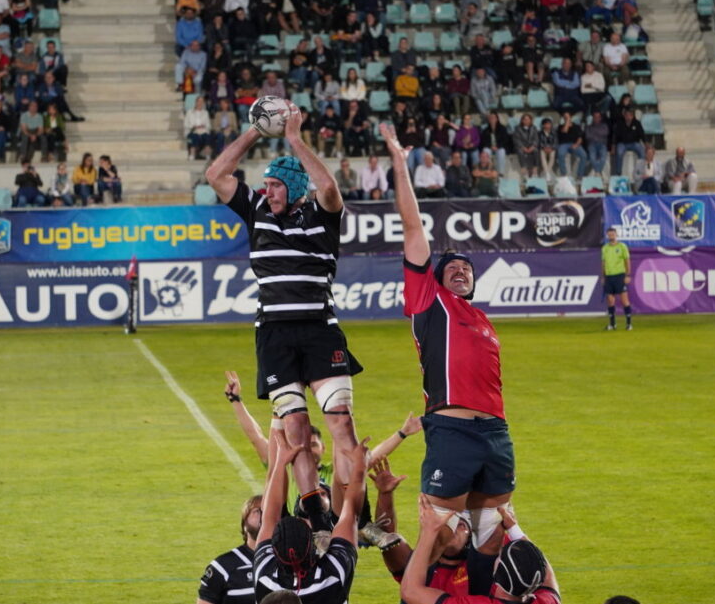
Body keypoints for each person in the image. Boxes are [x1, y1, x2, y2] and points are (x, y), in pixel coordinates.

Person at [205, 101, 362, 539]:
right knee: (294, 430)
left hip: (318, 329)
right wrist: (256, 131)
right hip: (273, 334)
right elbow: (216, 175)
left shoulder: (321, 216)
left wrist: (294, 139)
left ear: (294, 189)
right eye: (265, 185)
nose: (267, 191)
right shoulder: (255, 211)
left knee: (340, 423)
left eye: (275, 185)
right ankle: (316, 522)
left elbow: (328, 187)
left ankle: (356, 515)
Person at [380, 120, 517, 562]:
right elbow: (413, 227)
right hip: (452, 431)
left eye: (467, 268)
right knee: (441, 539)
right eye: (450, 267)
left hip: (495, 432)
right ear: (435, 280)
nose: (460, 271)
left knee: (493, 540)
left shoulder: (482, 320)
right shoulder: (428, 302)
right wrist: (401, 164)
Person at [252, 432, 366, 603]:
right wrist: (359, 467)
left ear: (274, 550)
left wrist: (280, 463)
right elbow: (350, 511)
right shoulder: (332, 576)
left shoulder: (265, 579)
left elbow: (269, 515)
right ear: (312, 542)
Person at [401, 497, 561, 604]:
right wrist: (513, 528)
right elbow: (545, 575)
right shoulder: (543, 600)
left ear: (497, 572)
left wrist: (429, 531)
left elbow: (410, 591)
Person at [197, 494, 264, 604]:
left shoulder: (287, 562)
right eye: (257, 511)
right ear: (244, 525)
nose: (263, 515)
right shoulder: (223, 566)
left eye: (267, 511)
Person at [601, 227, 632, 331]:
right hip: (609, 277)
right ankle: (612, 324)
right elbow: (603, 263)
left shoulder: (622, 246)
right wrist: (603, 276)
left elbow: (627, 261)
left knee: (624, 300)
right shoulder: (605, 248)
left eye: (613, 234)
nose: (611, 236)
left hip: (619, 275)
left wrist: (627, 275)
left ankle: (629, 324)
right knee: (610, 300)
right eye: (609, 234)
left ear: (616, 234)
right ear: (607, 236)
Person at [612, 108, 645, 176]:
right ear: (624, 115)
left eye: (630, 115)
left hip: (634, 143)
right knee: (619, 152)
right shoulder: (620, 123)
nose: (628, 117)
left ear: (632, 116)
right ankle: (618, 173)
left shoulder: (637, 123)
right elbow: (615, 136)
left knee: (641, 151)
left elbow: (642, 134)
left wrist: (646, 144)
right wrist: (613, 146)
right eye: (627, 115)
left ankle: (641, 171)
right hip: (622, 143)